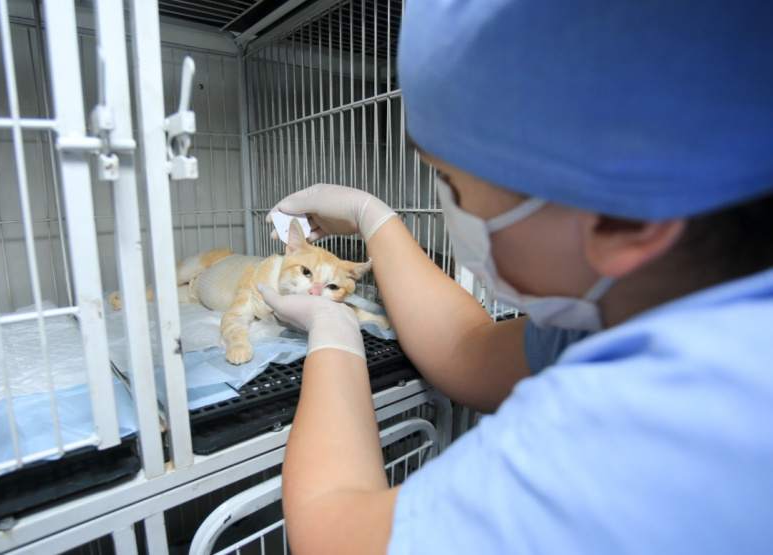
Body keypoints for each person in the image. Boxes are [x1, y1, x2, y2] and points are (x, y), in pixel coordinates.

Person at [257, 0, 773, 553]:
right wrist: (370, 216)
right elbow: (468, 351)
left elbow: (335, 537)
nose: (448, 205)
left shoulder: (671, 424)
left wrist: (331, 328)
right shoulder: (652, 302)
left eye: (449, 180)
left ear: (624, 220)